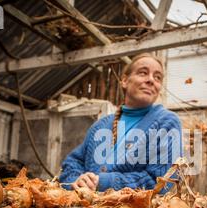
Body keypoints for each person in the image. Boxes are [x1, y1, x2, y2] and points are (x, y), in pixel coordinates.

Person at [59, 53, 182, 193]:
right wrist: (78, 181)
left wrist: (105, 182)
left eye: (157, 77)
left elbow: (163, 183)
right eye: (143, 73)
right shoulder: (100, 126)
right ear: (124, 81)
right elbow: (71, 164)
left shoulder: (166, 123)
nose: (151, 80)